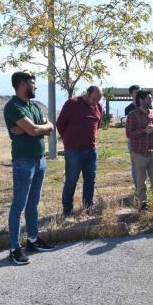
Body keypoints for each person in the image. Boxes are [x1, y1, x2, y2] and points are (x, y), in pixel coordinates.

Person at [3, 71, 55, 265]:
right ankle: (15, 248)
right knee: (19, 205)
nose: (35, 86)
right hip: (23, 162)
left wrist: (36, 129)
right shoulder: (13, 106)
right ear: (22, 84)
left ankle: (32, 240)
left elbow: (49, 126)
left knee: (33, 203)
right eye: (33, 83)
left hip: (39, 160)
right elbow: (34, 130)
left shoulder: (33, 105)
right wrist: (35, 129)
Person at [56, 85, 103, 217]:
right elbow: (60, 123)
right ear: (87, 94)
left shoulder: (98, 107)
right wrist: (69, 139)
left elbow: (97, 124)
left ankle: (88, 207)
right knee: (71, 180)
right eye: (94, 99)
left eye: (98, 100)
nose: (95, 102)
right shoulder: (72, 103)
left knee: (90, 179)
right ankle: (67, 210)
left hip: (91, 150)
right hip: (73, 151)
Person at [126, 90, 153, 217]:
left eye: (151, 98)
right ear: (140, 100)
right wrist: (144, 131)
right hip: (139, 153)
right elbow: (129, 134)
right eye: (148, 98)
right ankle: (143, 206)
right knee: (141, 182)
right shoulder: (132, 115)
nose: (151, 100)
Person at [125, 85, 140, 188]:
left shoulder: (148, 106)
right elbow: (129, 127)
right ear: (131, 94)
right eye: (135, 92)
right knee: (135, 165)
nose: (138, 94)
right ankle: (137, 187)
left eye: (139, 92)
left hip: (146, 140)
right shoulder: (128, 109)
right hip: (133, 140)